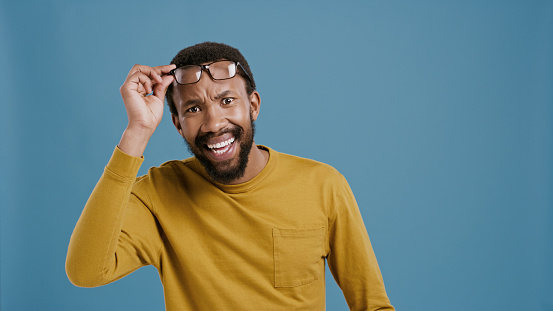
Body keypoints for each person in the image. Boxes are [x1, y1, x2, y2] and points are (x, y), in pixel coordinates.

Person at [66, 42, 394, 311]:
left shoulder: (324, 186)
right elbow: (86, 271)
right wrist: (136, 132)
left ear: (253, 105)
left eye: (227, 100)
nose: (213, 123)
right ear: (178, 124)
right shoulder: (158, 193)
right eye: (193, 109)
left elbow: (373, 305)